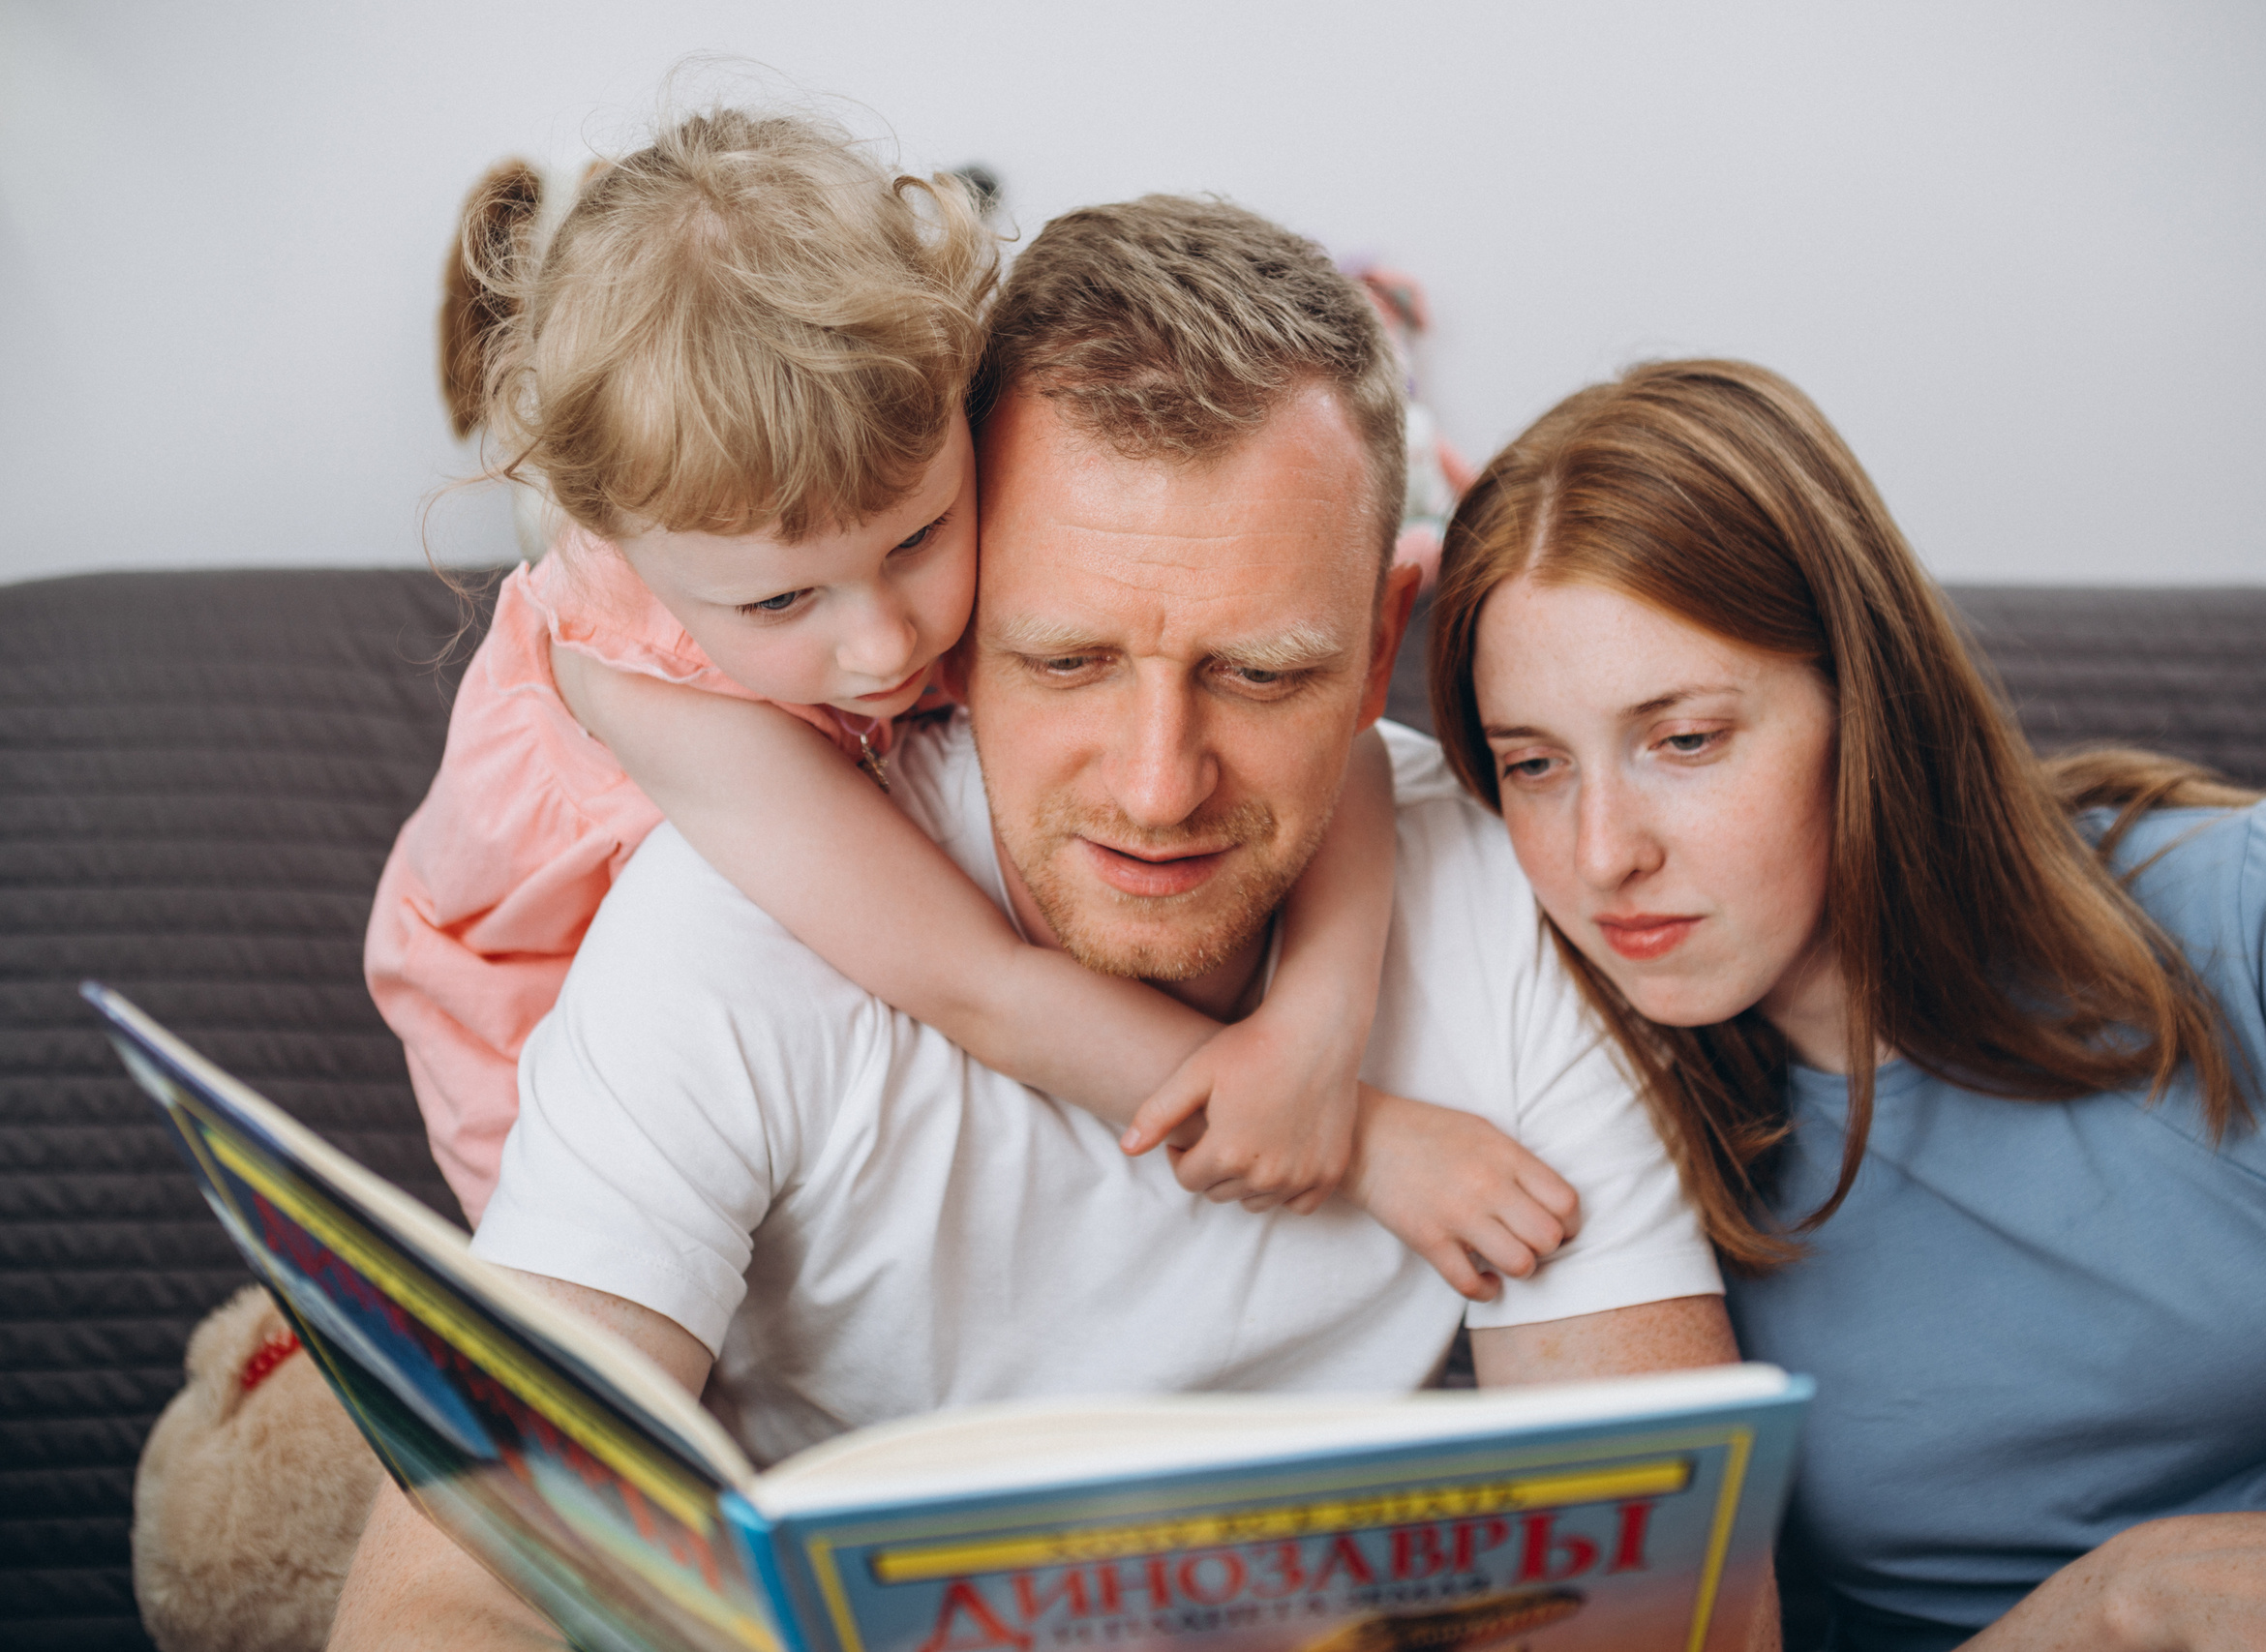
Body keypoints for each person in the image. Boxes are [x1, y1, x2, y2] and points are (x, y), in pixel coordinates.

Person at [327, 196, 1742, 1648]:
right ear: (963, 631)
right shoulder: (731, 916)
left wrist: (1328, 1030)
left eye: (1262, 674)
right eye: (1067, 661)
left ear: (1383, 636)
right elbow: (448, 1597)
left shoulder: (1515, 904)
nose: (1157, 788)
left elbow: (1679, 1604)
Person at [364, 105, 1521, 1276]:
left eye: (917, 539)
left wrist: (1319, 1024)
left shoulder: (908, 468)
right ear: (615, 537)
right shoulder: (655, 697)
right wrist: (1362, 1138)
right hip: (516, 1022)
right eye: (781, 602)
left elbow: (1346, 738)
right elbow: (983, 987)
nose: (883, 646)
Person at [1428, 357, 2266, 1651]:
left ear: (1863, 697)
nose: (1603, 855)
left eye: (1685, 739)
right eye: (1534, 764)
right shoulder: (1590, 1118)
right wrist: (2114, 1606)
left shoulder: (2249, 906)